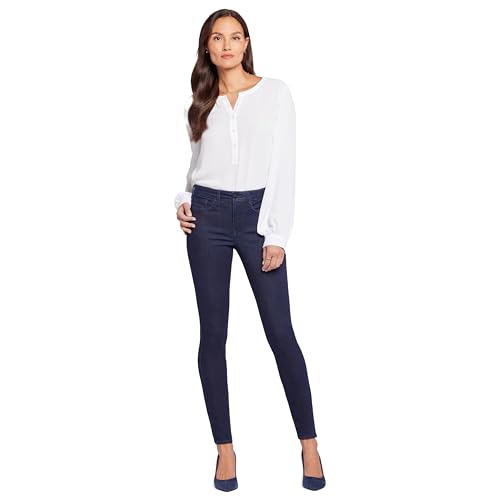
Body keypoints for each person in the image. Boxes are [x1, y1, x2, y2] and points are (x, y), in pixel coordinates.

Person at [174, 9, 326, 491]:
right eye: (218, 38)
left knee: (281, 332)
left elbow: (285, 164)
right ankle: (225, 450)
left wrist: (276, 234)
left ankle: (309, 444)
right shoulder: (199, 102)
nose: (227, 45)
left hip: (259, 217)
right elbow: (196, 168)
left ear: (246, 43)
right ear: (207, 46)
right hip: (208, 219)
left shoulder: (275, 93)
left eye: (235, 37)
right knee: (212, 335)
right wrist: (182, 201)